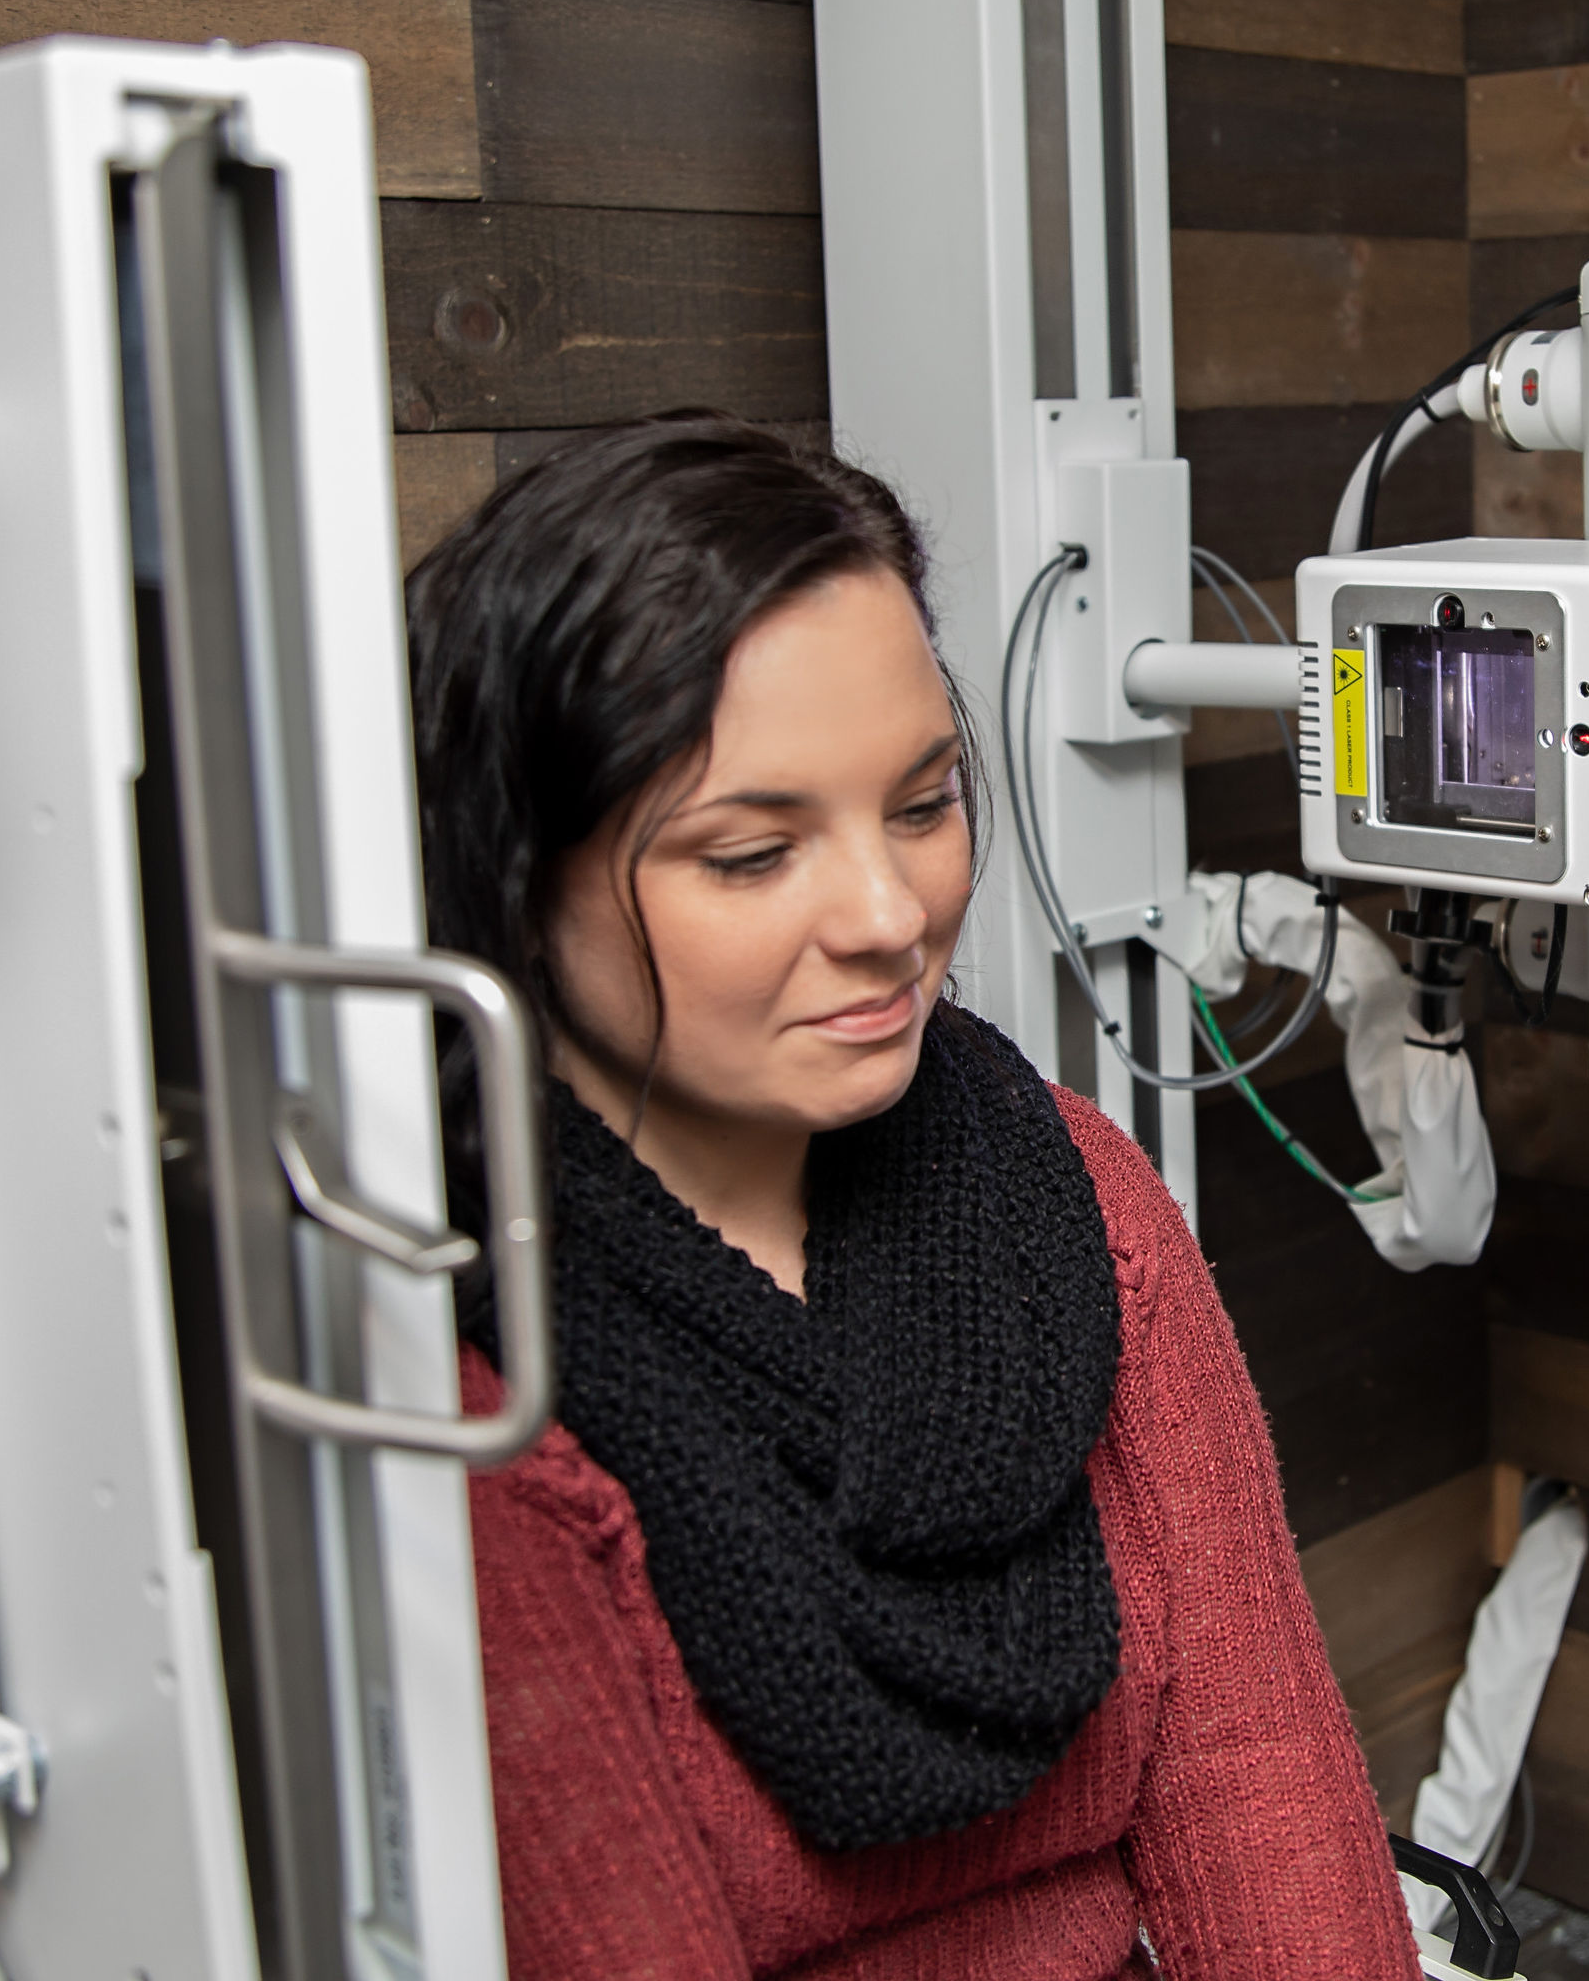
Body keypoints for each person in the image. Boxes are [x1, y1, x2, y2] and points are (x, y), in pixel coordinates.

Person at [406, 413, 1418, 1980]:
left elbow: (1268, 1815)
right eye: (752, 855)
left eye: (926, 802)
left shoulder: (1071, 1204)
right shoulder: (488, 1398)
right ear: (516, 877)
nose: (890, 915)